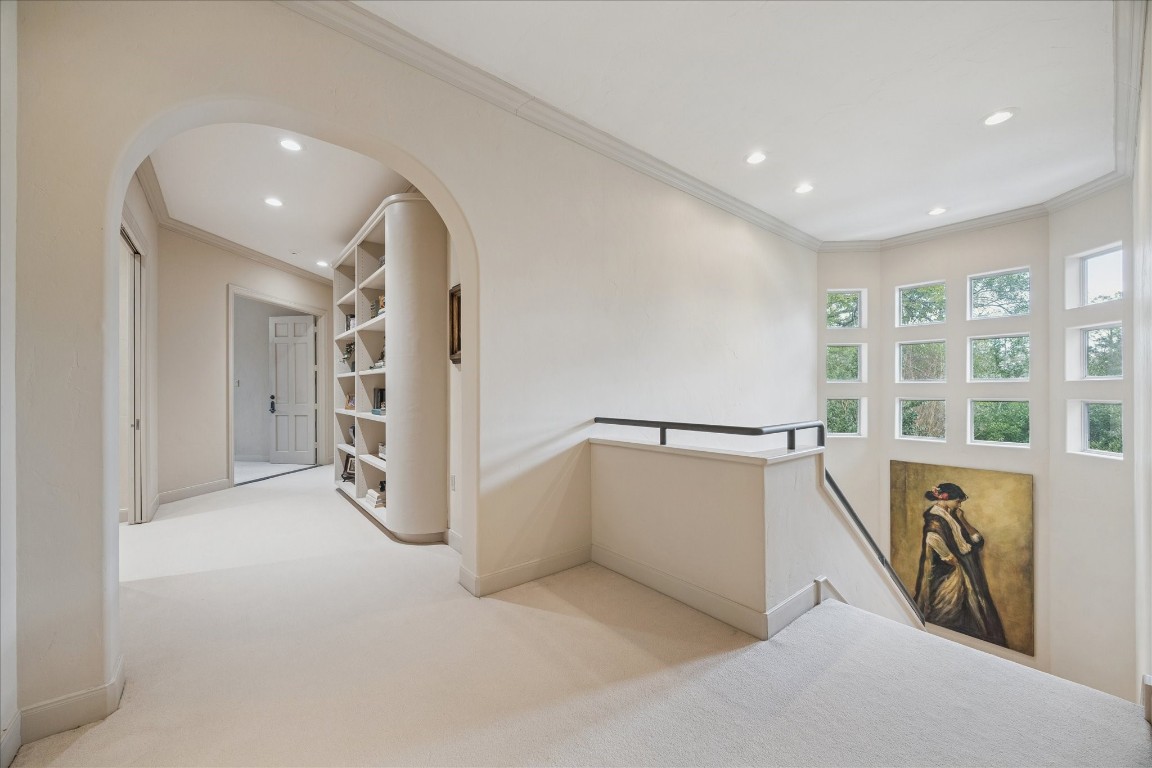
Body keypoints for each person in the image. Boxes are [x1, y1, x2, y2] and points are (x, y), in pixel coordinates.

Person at [912, 482, 1007, 647]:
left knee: (970, 610)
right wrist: (949, 557)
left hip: (966, 569)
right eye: (958, 501)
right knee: (947, 609)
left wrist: (963, 519)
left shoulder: (952, 516)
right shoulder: (935, 518)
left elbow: (977, 541)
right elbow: (932, 538)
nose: (959, 505)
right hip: (949, 573)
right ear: (946, 498)